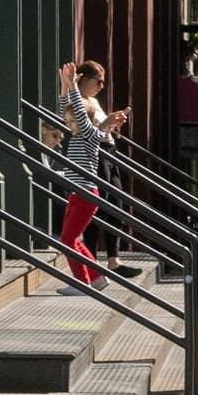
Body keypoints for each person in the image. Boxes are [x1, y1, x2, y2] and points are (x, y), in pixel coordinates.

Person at [55, 60, 126, 286]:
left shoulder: (86, 134)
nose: (68, 124)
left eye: (71, 121)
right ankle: (95, 278)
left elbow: (79, 113)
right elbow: (65, 109)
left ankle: (83, 283)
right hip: (78, 193)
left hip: (85, 194)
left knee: (67, 240)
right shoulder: (79, 134)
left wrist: (73, 86)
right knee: (71, 239)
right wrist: (65, 86)